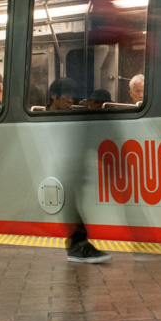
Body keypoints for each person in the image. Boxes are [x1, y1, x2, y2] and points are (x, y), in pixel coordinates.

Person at [47, 77, 111, 263]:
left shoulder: (72, 118)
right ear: (53, 95)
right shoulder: (44, 116)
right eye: (66, 94)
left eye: (72, 96)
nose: (70, 99)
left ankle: (78, 245)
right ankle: (77, 245)